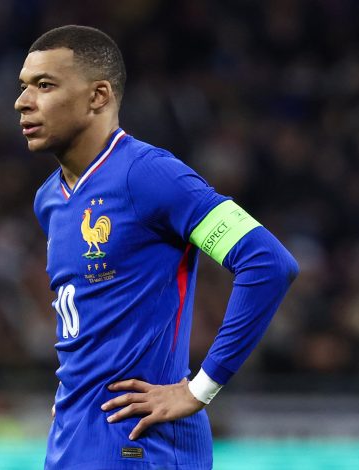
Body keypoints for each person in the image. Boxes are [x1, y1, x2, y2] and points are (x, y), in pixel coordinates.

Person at [15, 25, 299, 469]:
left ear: (98, 96)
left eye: (44, 85)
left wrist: (200, 389)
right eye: (24, 86)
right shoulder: (49, 199)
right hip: (73, 439)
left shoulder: (149, 174)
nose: (23, 101)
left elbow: (268, 262)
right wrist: (74, 393)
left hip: (143, 446)